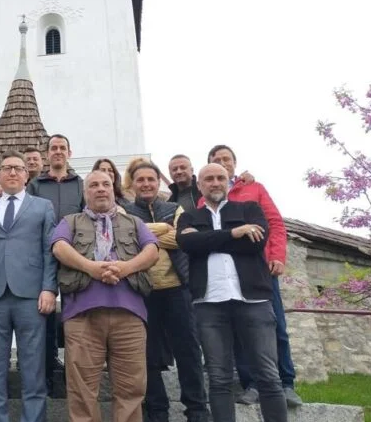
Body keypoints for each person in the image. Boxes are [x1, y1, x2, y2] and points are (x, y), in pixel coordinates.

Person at [177, 163, 287, 422]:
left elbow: (256, 243)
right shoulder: (188, 217)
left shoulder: (249, 209)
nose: (215, 183)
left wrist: (207, 240)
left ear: (228, 182)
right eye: (209, 179)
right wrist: (236, 233)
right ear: (199, 185)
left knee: (268, 375)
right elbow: (187, 243)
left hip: (254, 301)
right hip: (209, 304)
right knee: (219, 378)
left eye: (220, 178)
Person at [52, 170, 159, 422]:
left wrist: (125, 268)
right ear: (85, 193)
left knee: (131, 389)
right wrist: (91, 268)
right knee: (81, 391)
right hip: (82, 317)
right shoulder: (70, 221)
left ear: (113, 190)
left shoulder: (134, 222)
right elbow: (59, 247)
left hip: (130, 316)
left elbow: (152, 251)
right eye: (93, 185)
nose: (100, 188)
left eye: (105, 184)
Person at [205, 144, 301, 407]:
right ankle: (251, 383)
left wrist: (277, 256)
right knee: (238, 329)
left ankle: (286, 383)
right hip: (227, 275)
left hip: (260, 269)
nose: (222, 163)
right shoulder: (205, 200)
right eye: (216, 160)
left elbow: (275, 223)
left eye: (226, 159)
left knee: (275, 325)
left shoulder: (254, 189)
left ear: (234, 164)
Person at [124, 161, 208, 422]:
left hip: (177, 289)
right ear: (133, 184)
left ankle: (197, 410)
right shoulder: (125, 211)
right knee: (147, 354)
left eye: (151, 179)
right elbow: (128, 240)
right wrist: (164, 229)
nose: (146, 184)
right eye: (141, 180)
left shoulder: (173, 208)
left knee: (188, 351)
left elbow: (182, 239)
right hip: (143, 293)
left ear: (157, 182)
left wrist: (147, 234)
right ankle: (157, 411)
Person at [0, 150, 57, 422]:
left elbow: (49, 250)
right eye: (7, 168)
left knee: (33, 365)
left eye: (18, 168)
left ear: (26, 175)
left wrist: (49, 288)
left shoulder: (42, 206)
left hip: (31, 295)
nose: (12, 172)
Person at [26, 134, 84, 391]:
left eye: (62, 148)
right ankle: (47, 372)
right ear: (47, 154)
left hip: (74, 259)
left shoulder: (80, 184)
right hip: (42, 259)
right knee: (44, 316)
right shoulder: (35, 185)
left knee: (75, 317)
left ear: (69, 153)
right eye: (53, 148)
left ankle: (74, 375)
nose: (58, 151)